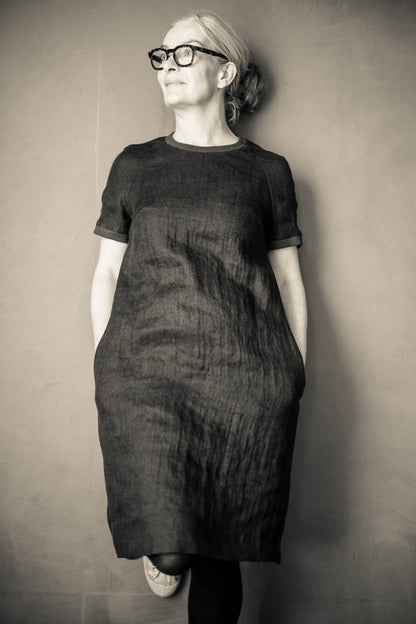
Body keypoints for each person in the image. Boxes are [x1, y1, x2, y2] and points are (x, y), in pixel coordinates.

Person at [90, 10, 307, 623]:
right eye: (161, 56)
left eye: (184, 53)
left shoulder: (267, 171)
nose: (168, 66)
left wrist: (295, 372)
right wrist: (106, 359)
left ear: (225, 71)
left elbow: (288, 279)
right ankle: (165, 551)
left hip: (245, 376)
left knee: (223, 541)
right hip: (146, 371)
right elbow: (107, 272)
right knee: (175, 546)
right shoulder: (135, 164)